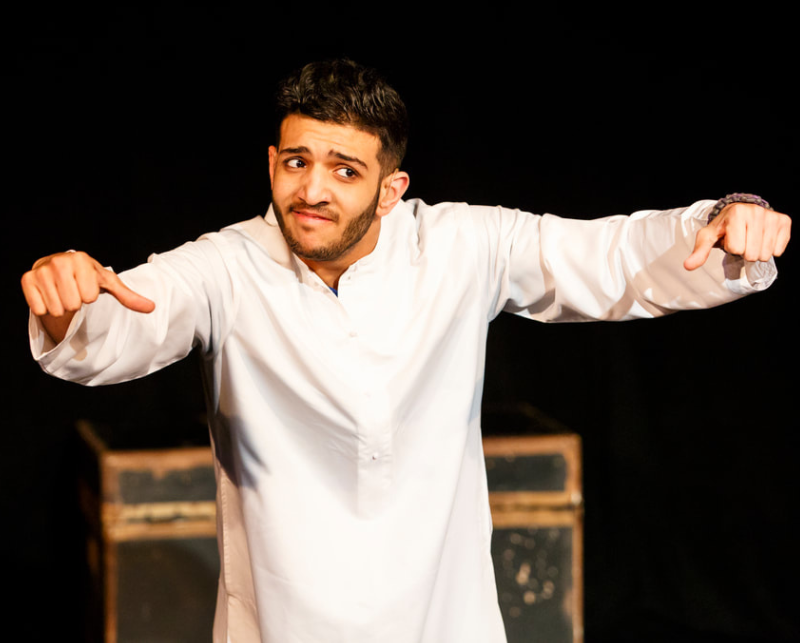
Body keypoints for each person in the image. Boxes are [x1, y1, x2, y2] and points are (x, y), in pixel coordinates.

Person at [22, 59, 791, 643]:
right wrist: (67, 305)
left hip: (442, 620)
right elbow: (121, 329)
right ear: (271, 163)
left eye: (345, 170)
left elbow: (608, 257)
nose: (311, 190)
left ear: (392, 190)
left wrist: (731, 217)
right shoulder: (227, 265)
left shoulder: (461, 245)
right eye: (297, 162)